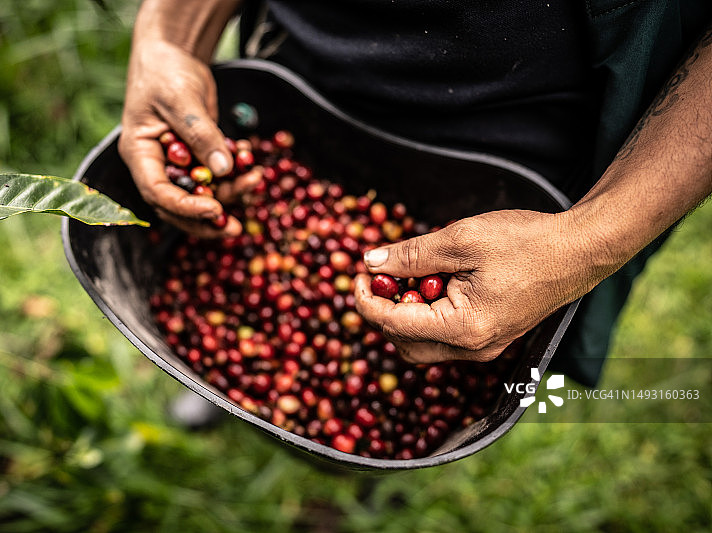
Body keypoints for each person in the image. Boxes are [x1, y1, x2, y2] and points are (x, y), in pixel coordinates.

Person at [119, 0, 712, 387]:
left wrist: (584, 241)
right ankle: (225, 391)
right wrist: (166, 38)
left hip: (530, 138)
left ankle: (343, 463)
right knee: (240, 275)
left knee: (449, 348)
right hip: (299, 68)